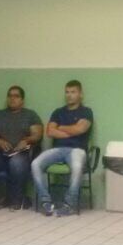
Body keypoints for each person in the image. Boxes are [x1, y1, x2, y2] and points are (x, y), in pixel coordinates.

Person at [0, 85, 43, 210]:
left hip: (20, 153)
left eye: (16, 96)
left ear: (22, 100)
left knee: (16, 163)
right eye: (10, 96)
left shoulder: (30, 115)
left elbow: (37, 135)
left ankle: (16, 199)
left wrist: (26, 140)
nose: (12, 99)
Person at [31, 80, 94, 216]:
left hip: (77, 150)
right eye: (67, 92)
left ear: (80, 94)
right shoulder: (58, 112)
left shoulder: (86, 112)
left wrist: (61, 127)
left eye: (73, 92)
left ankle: (69, 204)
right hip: (58, 149)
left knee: (77, 167)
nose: (69, 95)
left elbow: (80, 129)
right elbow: (50, 131)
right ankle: (46, 202)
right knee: (35, 164)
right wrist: (73, 130)